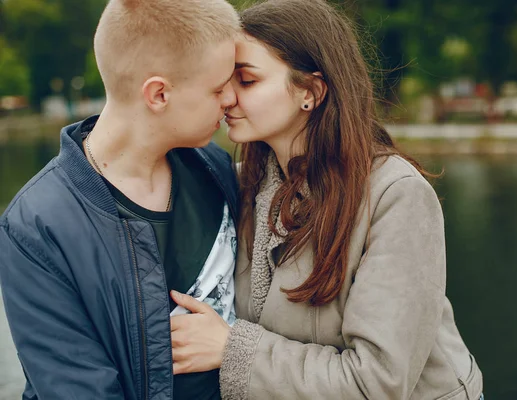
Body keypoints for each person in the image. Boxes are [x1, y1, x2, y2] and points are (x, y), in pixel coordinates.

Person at [169, 0, 484, 399]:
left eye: (246, 81)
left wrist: (230, 348)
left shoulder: (397, 196)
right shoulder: (245, 187)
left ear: (311, 92)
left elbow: (377, 385)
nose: (226, 98)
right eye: (226, 80)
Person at [0, 0, 240, 398]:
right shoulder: (37, 226)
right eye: (218, 87)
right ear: (158, 94)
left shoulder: (214, 167)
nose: (231, 98)